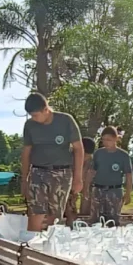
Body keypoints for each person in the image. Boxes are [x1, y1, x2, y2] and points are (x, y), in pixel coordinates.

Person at [21, 92, 84, 232]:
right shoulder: (30, 126)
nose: (34, 119)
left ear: (46, 109)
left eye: (36, 115)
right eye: (32, 116)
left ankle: (49, 247)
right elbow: (26, 153)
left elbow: (78, 149)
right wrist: (24, 179)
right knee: (35, 211)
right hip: (38, 172)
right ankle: (30, 246)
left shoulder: (66, 121)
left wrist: (78, 178)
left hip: (62, 173)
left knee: (54, 215)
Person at [87, 126, 133, 227]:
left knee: (112, 223)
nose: (106, 142)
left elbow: (128, 175)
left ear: (116, 139)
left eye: (109, 140)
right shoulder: (98, 153)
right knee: (95, 222)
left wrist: (128, 193)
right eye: (103, 140)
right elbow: (92, 171)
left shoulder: (123, 155)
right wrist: (86, 187)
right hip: (98, 190)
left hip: (114, 192)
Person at [65, 137, 96, 228]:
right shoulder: (68, 158)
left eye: (88, 156)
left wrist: (85, 191)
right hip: (68, 186)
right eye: (84, 155)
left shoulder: (91, 161)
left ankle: (85, 222)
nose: (85, 158)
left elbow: (89, 178)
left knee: (88, 200)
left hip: (85, 186)